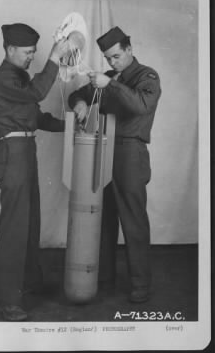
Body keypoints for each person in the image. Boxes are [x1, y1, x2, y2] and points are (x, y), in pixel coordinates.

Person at [68, 26, 161, 303]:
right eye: (108, 58)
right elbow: (77, 95)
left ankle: (140, 285)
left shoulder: (147, 76)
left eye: (117, 56)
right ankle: (104, 277)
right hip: (102, 151)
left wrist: (112, 85)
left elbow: (141, 106)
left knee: (132, 220)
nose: (112, 63)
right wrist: (81, 104)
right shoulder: (107, 77)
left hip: (130, 153)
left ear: (130, 49)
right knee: (103, 217)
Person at [0, 23, 69, 321]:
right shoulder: (2, 79)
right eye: (27, 51)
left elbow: (37, 118)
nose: (32, 56)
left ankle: (28, 284)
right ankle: (9, 301)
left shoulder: (18, 81)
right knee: (15, 228)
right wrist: (55, 56)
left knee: (31, 222)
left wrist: (72, 125)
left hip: (25, 152)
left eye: (35, 51)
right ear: (10, 50)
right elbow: (37, 91)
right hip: (13, 155)